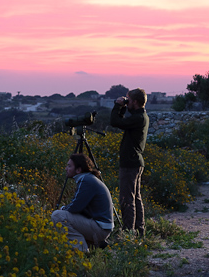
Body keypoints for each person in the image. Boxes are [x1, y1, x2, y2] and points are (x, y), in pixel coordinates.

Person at [51, 153, 114, 252]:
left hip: (100, 229)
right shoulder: (88, 179)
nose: (66, 168)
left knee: (57, 216)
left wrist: (63, 208)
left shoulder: (86, 180)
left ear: (78, 170)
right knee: (62, 216)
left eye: (69, 166)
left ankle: (81, 252)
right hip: (101, 226)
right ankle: (91, 245)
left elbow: (75, 207)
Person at [110, 88, 149, 237]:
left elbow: (115, 122)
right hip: (135, 162)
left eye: (128, 100)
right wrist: (124, 108)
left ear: (135, 102)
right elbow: (121, 122)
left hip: (130, 163)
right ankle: (139, 230)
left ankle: (129, 232)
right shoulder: (140, 116)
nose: (126, 101)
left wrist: (118, 106)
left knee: (127, 198)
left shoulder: (138, 118)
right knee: (135, 197)